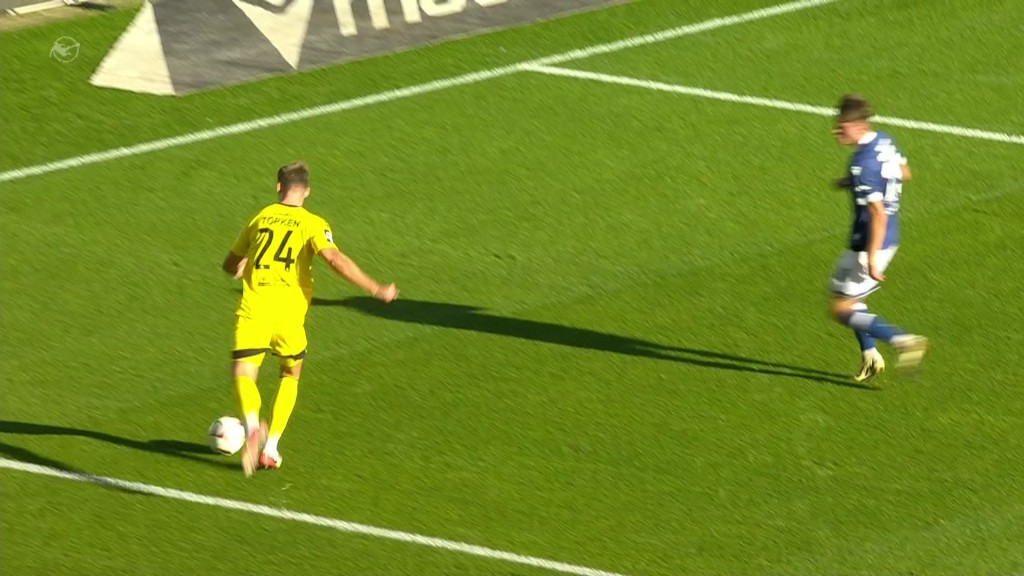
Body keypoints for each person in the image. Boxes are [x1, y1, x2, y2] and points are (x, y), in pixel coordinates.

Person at [221, 161, 398, 476]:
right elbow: (334, 259)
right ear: (307, 191)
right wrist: (375, 287)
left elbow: (230, 263)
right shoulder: (313, 223)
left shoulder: (259, 217)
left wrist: (242, 265)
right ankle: (271, 447)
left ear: (278, 187)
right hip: (289, 312)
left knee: (243, 372)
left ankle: (251, 425)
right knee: (290, 373)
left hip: (255, 307)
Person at [828, 95, 927, 382]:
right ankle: (870, 355)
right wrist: (851, 182)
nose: (837, 131)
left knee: (840, 309)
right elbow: (904, 173)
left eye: (841, 126)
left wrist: (872, 259)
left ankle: (902, 340)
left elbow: (878, 214)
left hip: (872, 242)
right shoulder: (883, 141)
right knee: (842, 295)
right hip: (876, 239)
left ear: (857, 126)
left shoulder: (863, 164)